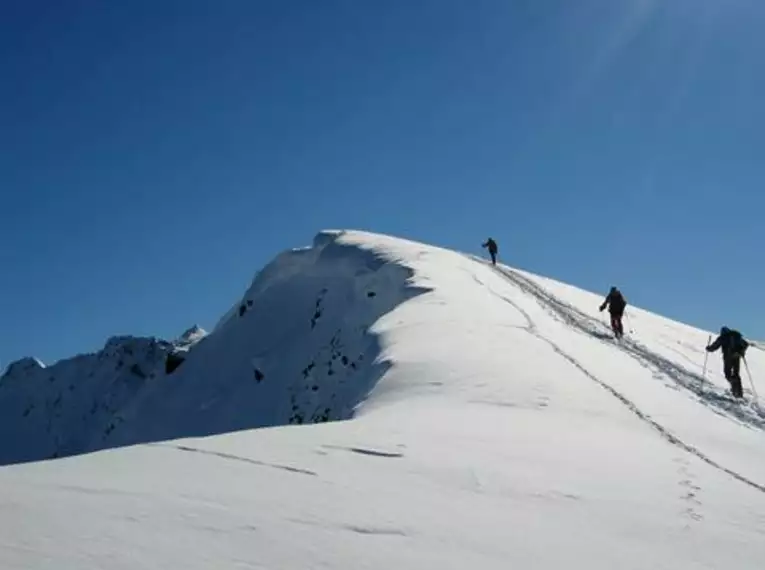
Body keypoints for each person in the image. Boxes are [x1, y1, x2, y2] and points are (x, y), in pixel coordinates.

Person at [706, 326, 749, 398]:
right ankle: (739, 393)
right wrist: (742, 352)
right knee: (736, 374)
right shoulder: (736, 336)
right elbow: (746, 344)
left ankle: (734, 388)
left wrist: (709, 348)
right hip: (737, 356)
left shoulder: (723, 337)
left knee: (727, 373)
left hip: (728, 357)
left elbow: (715, 346)